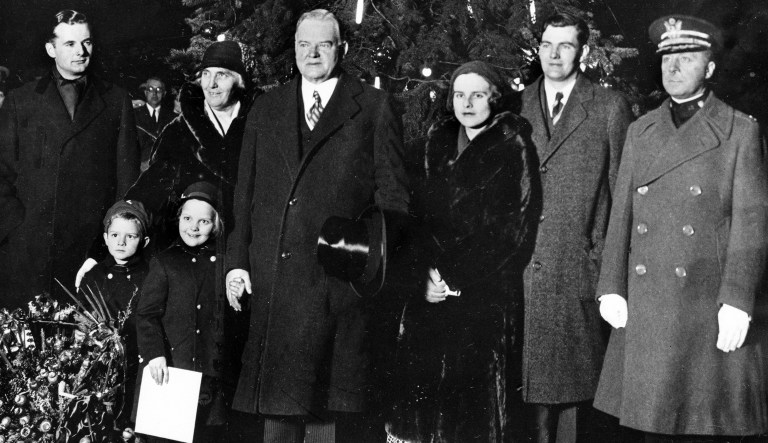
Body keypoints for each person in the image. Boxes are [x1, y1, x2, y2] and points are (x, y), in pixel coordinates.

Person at [225, 9, 409, 442]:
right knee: (279, 424)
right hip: (275, 292)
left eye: (323, 44)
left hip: (337, 293)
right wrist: (237, 263)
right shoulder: (266, 108)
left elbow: (395, 201)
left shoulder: (373, 107)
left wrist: (365, 265)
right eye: (304, 44)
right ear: (293, 49)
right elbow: (244, 196)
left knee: (327, 421)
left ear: (341, 49)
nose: (312, 53)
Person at [594, 14, 768, 440]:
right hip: (650, 302)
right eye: (668, 58)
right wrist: (611, 284)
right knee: (651, 427)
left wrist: (738, 300)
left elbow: (751, 223)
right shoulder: (641, 130)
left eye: (687, 58)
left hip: (705, 305)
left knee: (701, 427)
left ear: (709, 69)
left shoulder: (739, 132)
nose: (673, 69)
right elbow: (623, 213)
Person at [384, 61, 537, 443]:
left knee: (470, 414)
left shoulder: (513, 145)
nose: (467, 103)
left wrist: (454, 276)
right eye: (459, 94)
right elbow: (415, 218)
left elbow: (513, 228)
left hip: (481, 297)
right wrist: (423, 275)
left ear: (495, 99)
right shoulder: (434, 143)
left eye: (477, 94)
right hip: (428, 295)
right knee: (420, 407)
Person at [517, 12, 633, 443]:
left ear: (582, 52)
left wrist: (608, 270)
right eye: (547, 44)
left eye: (565, 45)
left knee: (577, 406)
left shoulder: (607, 106)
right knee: (526, 408)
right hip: (522, 275)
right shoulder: (516, 105)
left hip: (578, 274)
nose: (553, 54)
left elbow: (623, 196)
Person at [0, 9, 140, 308]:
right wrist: (16, 229)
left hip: (89, 252)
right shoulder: (20, 101)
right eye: (70, 44)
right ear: (51, 49)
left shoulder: (116, 100)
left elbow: (126, 179)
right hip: (29, 252)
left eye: (86, 43)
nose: (81, 51)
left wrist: (109, 243)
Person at [136, 181, 227, 442]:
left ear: (216, 225)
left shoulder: (222, 264)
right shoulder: (165, 261)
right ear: (178, 218)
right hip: (173, 371)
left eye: (203, 222)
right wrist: (155, 355)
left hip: (209, 375)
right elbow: (146, 314)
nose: (193, 227)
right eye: (187, 218)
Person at [79, 199, 150, 430]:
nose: (121, 242)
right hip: (100, 364)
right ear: (105, 238)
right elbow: (83, 320)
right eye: (115, 234)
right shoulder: (95, 275)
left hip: (135, 361)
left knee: (130, 422)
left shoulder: (150, 276)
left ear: (144, 241)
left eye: (131, 236)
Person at [134, 76, 176, 170]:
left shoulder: (173, 118)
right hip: (139, 171)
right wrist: (139, 164)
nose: (154, 93)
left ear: (164, 94)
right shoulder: (133, 116)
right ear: (145, 92)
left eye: (158, 89)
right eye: (150, 89)